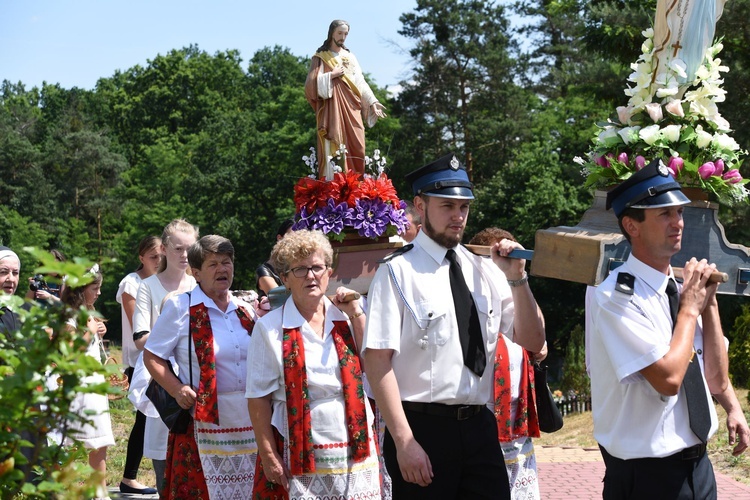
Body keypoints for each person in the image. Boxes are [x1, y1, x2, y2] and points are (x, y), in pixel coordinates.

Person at [363, 153, 546, 499]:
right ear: (420, 205)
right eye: (447, 206)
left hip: (479, 426)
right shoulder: (396, 273)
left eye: (464, 207)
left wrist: (518, 280)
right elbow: (377, 362)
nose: (458, 216)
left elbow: (533, 340)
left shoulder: (486, 270)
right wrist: (404, 441)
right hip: (423, 429)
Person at [585, 159, 730, 499]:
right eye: (664, 214)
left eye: (679, 212)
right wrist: (691, 309)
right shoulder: (615, 297)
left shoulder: (682, 290)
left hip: (699, 468)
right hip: (648, 477)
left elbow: (718, 379)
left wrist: (708, 306)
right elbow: (668, 379)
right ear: (631, 226)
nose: (678, 223)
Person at [246, 229, 383, 498]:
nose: (311, 275)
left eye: (317, 267)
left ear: (329, 272)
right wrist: (268, 454)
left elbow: (373, 366)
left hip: (355, 447)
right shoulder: (270, 327)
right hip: (302, 448)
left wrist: (357, 315)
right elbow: (258, 398)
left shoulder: (346, 315)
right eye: (300, 269)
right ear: (284, 278)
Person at [144, 235, 260, 499]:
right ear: (195, 272)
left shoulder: (245, 309)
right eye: (213, 264)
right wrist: (177, 389)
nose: (223, 269)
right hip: (204, 423)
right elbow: (152, 356)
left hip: (250, 421)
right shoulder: (180, 306)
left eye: (227, 262)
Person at [469, 227, 546, 500]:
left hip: (512, 418)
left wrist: (517, 276)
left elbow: (537, 341)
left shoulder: (515, 286)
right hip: (478, 416)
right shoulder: (467, 286)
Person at [129, 219, 198, 493]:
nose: (184, 255)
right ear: (165, 249)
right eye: (178, 248)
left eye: (189, 249)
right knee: (165, 466)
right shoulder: (149, 286)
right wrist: (173, 336)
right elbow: (140, 339)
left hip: (196, 377)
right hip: (163, 378)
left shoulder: (198, 283)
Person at [304, 19, 387, 178]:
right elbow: (310, 86)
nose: (343, 37)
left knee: (359, 144)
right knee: (336, 144)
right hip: (333, 109)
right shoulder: (321, 57)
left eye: (345, 34)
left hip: (352, 106)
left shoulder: (351, 57)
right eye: (339, 33)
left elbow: (360, 82)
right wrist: (331, 75)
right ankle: (335, 183)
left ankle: (356, 184)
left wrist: (373, 101)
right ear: (332, 34)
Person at [59, 265, 115, 500]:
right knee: (72, 443)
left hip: (93, 384)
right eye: (95, 288)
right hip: (79, 387)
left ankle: (98, 490)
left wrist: (98, 330)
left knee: (99, 441)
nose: (99, 292)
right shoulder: (69, 317)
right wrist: (90, 332)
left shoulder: (88, 313)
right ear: (81, 290)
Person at [115, 235, 161, 495]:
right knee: (145, 419)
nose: (158, 261)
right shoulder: (130, 283)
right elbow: (138, 327)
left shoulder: (162, 279)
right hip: (140, 359)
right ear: (141, 257)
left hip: (161, 356)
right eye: (153, 256)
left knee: (153, 420)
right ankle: (129, 477)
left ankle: (132, 476)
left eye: (161, 256)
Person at [652, 0, 727, 85]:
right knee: (664, 58)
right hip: (679, 7)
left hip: (702, 10)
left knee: (690, 66)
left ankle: (678, 90)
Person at [255, 218, 295, 297]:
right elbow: (279, 300)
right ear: (279, 238)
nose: (297, 243)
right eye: (292, 238)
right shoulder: (264, 271)